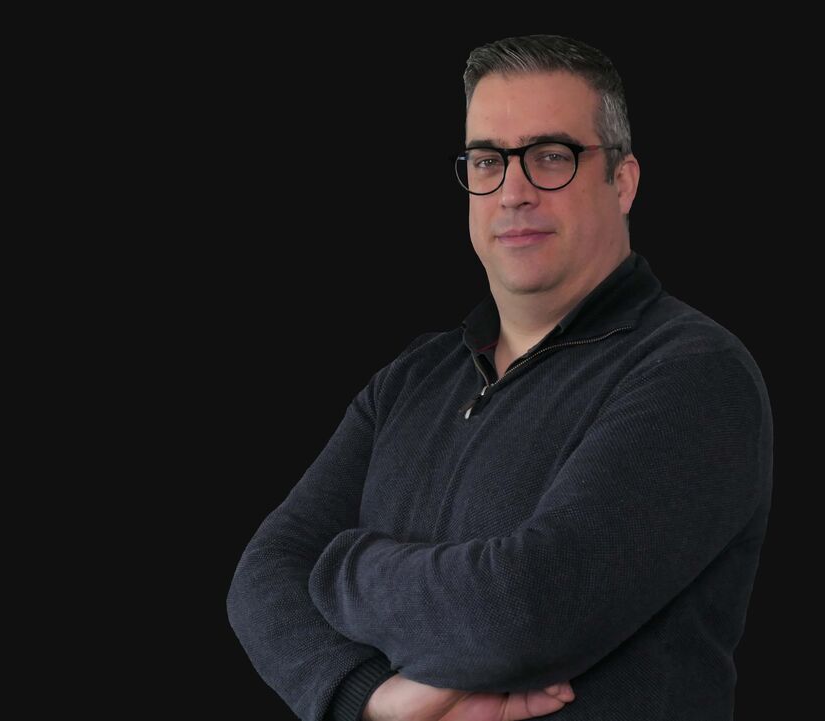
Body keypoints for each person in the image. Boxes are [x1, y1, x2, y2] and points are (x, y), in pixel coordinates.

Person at [227, 34, 774, 721]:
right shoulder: (413, 378)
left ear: (623, 180)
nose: (513, 192)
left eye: (551, 156)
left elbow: (523, 609)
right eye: (488, 161)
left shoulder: (691, 374)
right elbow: (261, 577)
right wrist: (375, 698)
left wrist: (341, 564)